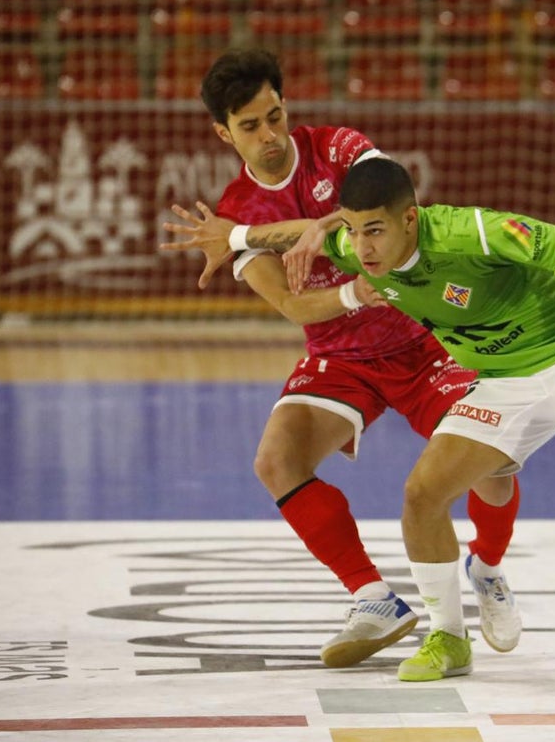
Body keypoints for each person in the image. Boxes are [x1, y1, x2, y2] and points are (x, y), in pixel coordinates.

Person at [190, 157, 555, 681]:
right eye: (352, 232)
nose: (362, 247)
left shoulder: (472, 232)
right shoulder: (356, 249)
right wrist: (237, 238)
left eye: (374, 230)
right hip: (501, 377)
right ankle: (448, 638)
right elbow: (301, 233)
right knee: (422, 495)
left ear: (409, 220)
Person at [163, 49, 523, 667]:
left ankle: (486, 566)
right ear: (224, 133)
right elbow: (296, 309)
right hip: (342, 354)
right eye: (250, 126)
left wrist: (314, 226)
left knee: (493, 464)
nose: (270, 135)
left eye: (275, 116)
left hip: (424, 335)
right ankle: (373, 597)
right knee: (276, 460)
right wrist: (359, 286)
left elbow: (384, 198)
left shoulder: (340, 148)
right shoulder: (236, 213)